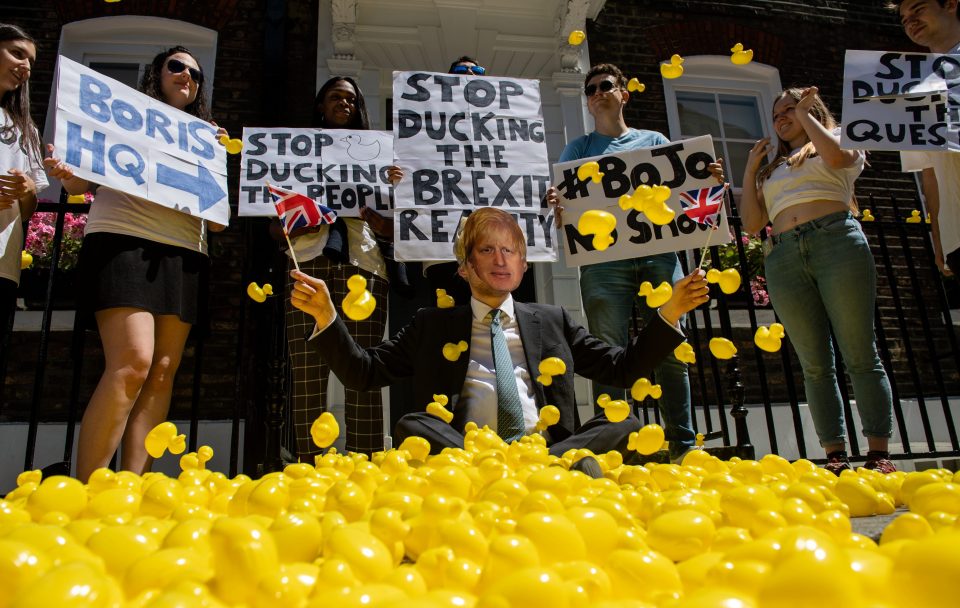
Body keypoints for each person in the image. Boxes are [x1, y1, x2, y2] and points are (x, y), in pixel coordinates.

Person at [290, 207, 710, 467]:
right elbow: (364, 373)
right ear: (465, 267)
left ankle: (546, 465)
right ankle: (543, 470)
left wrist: (670, 311)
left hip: (546, 447)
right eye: (487, 250)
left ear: (524, 266)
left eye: (510, 251)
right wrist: (327, 315)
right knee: (413, 425)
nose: (501, 259)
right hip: (466, 456)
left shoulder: (553, 320)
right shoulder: (431, 324)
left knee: (626, 421)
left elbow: (624, 368)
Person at [44, 46, 226, 482]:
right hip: (122, 240)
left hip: (184, 250)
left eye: (196, 74)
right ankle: (89, 487)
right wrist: (64, 170)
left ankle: (135, 485)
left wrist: (216, 158)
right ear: (156, 73)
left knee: (162, 374)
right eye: (176, 66)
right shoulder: (117, 119)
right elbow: (78, 182)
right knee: (133, 363)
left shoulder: (205, 135)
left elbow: (217, 224)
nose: (187, 76)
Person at [545, 63, 724, 462]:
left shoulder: (653, 139)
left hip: (660, 257)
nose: (595, 93)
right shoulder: (579, 149)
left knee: (669, 349)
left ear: (623, 93)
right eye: (589, 89)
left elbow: (684, 194)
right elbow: (566, 206)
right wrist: (558, 206)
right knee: (608, 355)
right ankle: (615, 449)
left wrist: (706, 177)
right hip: (604, 265)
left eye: (604, 85)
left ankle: (681, 447)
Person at [740, 86, 896, 474]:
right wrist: (750, 168)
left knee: (860, 353)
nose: (781, 117)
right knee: (814, 363)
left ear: (812, 109)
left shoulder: (840, 137)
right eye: (777, 113)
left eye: (790, 109)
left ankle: (878, 454)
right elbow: (753, 223)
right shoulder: (772, 167)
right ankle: (834, 455)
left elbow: (839, 158)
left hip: (836, 240)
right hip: (785, 254)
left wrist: (810, 118)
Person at [279, 76, 402, 460]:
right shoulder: (292, 154)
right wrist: (302, 218)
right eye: (336, 97)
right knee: (308, 370)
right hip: (309, 259)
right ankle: (307, 465)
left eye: (351, 99)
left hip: (364, 264)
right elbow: (271, 223)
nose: (344, 104)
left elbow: (404, 221)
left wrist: (396, 193)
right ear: (321, 105)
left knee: (363, 368)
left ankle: (365, 460)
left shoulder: (379, 158)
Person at [891, 0, 960, 275]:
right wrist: (939, 237)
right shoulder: (915, 91)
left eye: (918, 9)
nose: (910, 21)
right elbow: (928, 174)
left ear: (951, 4)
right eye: (904, 19)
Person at [420, 56, 488, 308]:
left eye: (477, 70)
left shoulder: (503, 124)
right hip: (442, 249)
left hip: (488, 246)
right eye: (462, 70)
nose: (470, 74)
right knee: (447, 329)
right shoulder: (426, 125)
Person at [0, 24, 47, 338]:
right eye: (17, 53)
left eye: (30, 61)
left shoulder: (25, 129)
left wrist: (29, 191)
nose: (25, 67)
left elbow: (28, 210)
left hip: (3, 265)